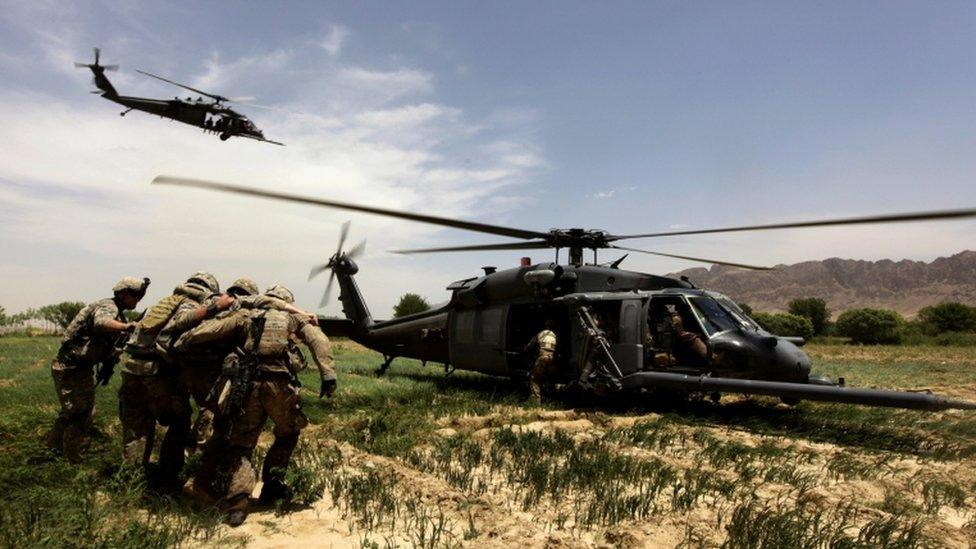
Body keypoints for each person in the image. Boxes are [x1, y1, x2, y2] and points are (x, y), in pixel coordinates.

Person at [174, 284, 335, 526]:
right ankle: (273, 485)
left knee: (242, 446)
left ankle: (238, 502)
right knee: (288, 433)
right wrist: (328, 375)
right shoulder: (293, 318)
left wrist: (183, 341)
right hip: (280, 386)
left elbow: (209, 330)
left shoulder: (245, 315)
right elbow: (318, 341)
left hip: (247, 386)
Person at [118, 272, 229, 492]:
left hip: (131, 370)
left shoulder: (162, 304)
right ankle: (168, 478)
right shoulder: (188, 305)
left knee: (137, 428)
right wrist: (214, 308)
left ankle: (130, 485)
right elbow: (182, 322)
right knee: (180, 420)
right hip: (157, 374)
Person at [48, 276, 149, 462]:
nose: (138, 300)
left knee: (73, 412)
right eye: (135, 295)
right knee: (81, 413)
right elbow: (101, 322)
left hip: (77, 367)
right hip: (71, 367)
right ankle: (72, 459)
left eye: (140, 296)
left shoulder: (118, 312)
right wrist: (127, 327)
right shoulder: (108, 307)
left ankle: (54, 451)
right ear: (122, 293)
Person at [523, 319, 557, 403]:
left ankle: (535, 400)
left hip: (542, 358)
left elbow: (530, 345)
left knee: (534, 378)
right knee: (551, 378)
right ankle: (552, 398)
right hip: (551, 359)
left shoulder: (541, 334)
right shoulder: (555, 335)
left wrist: (524, 349)